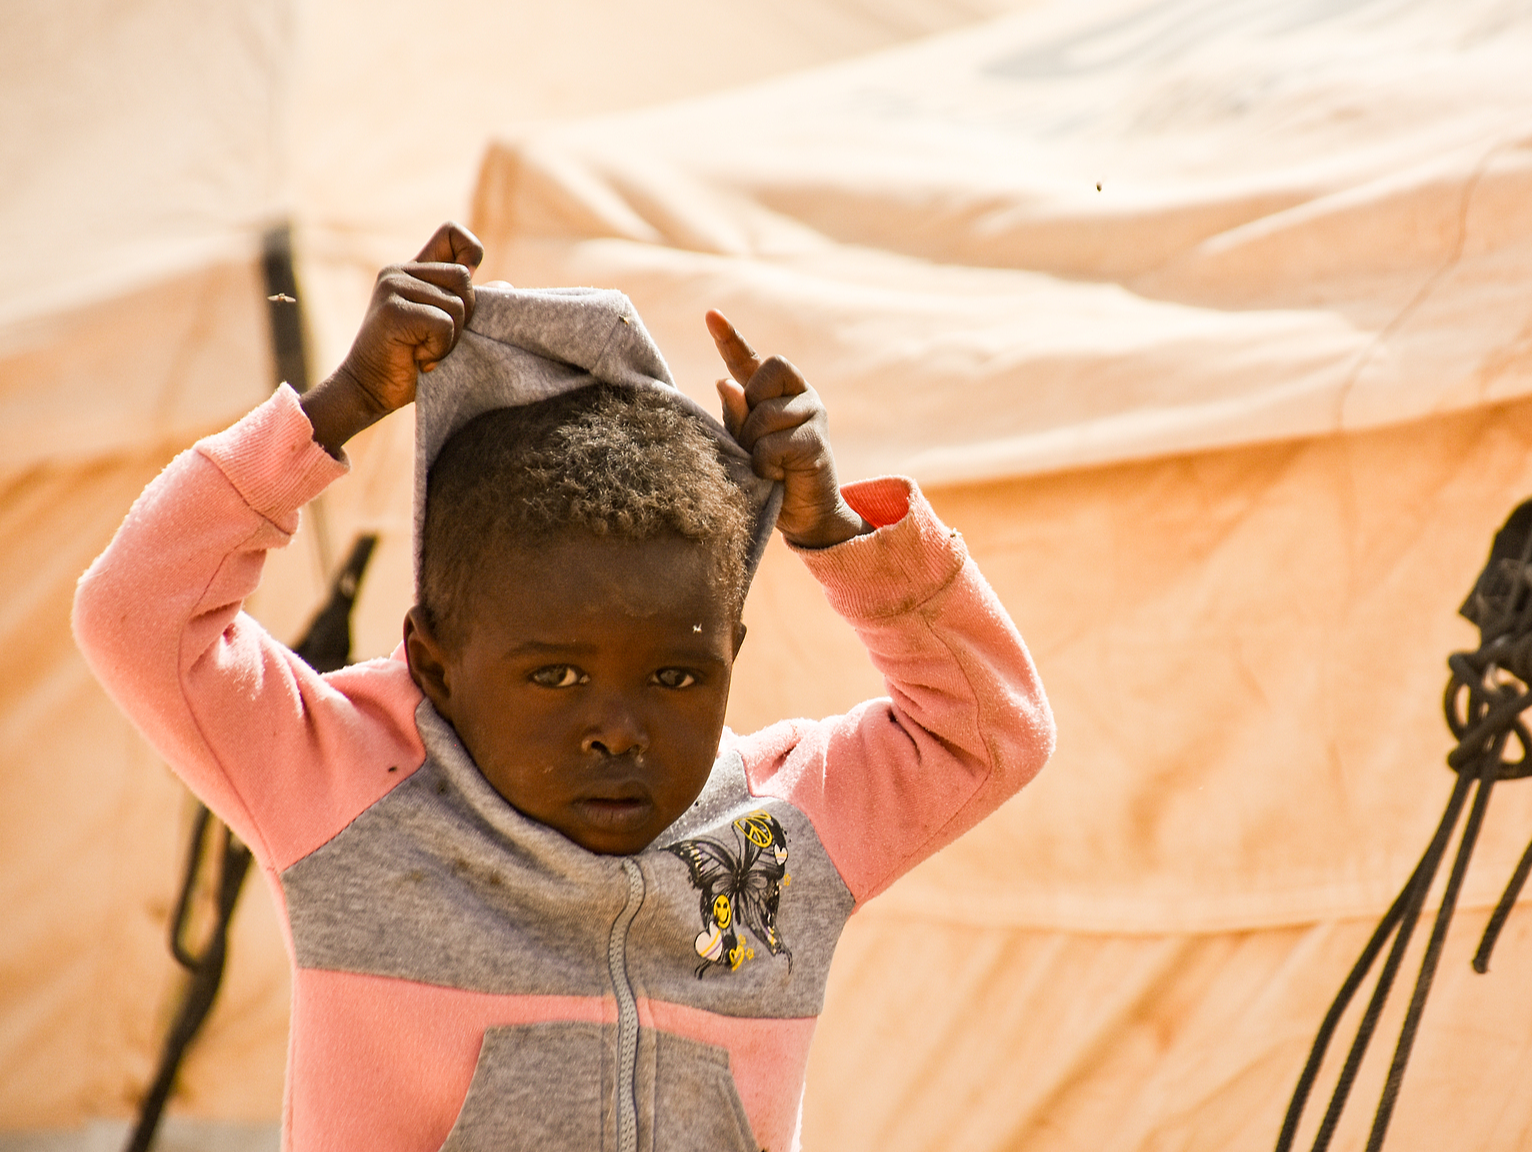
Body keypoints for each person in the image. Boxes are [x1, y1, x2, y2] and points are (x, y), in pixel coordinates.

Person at [73, 223, 1056, 1152]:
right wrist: (338, 408)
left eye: (676, 674)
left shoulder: (775, 831)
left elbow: (986, 732)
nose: (618, 730)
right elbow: (136, 613)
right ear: (434, 663)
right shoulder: (352, 789)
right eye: (554, 675)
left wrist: (838, 537)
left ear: (732, 655)